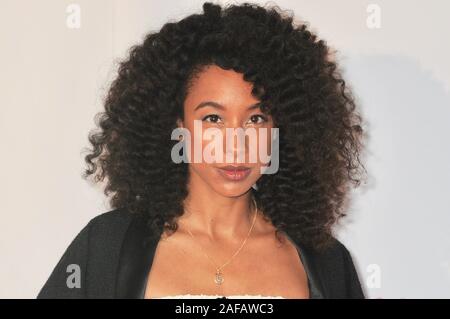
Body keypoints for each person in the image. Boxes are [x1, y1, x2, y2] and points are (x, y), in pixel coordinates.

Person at [37, 1, 366, 299]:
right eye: (213, 118)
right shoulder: (106, 246)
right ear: (178, 125)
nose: (236, 145)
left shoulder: (327, 262)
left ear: (280, 128)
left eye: (255, 118)